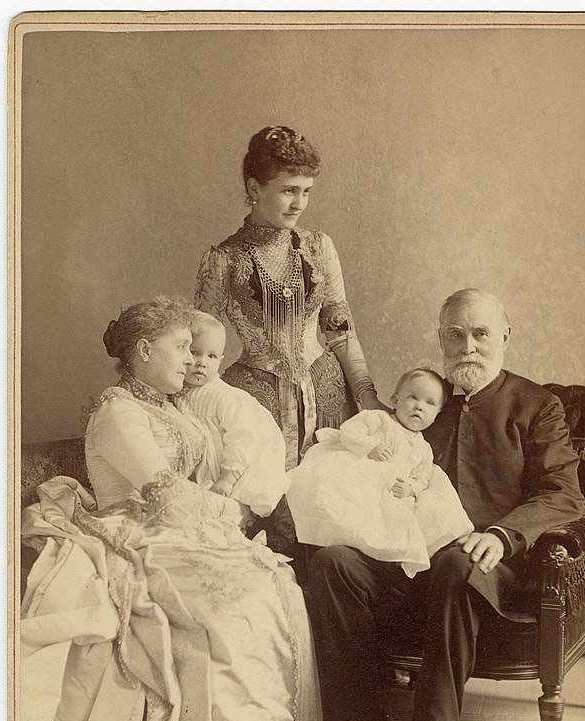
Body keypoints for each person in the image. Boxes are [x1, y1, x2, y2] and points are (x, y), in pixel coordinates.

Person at [20, 296, 321, 721]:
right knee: (221, 603)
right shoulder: (118, 412)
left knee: (268, 582)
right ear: (143, 351)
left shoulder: (164, 404)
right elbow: (165, 493)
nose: (190, 359)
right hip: (136, 531)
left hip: (178, 528)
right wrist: (233, 516)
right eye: (181, 347)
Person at [306, 288, 584, 721]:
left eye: (481, 334)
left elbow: (564, 494)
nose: (468, 347)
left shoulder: (535, 405)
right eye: (455, 335)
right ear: (440, 339)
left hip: (487, 564)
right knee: (333, 562)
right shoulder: (425, 403)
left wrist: (501, 535)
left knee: (458, 560)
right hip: (409, 555)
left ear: (505, 336)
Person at [194, 125, 382, 472]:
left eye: (307, 191)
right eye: (288, 191)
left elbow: (341, 334)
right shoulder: (223, 259)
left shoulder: (319, 247)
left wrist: (368, 400)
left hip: (329, 397)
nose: (299, 203)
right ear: (254, 188)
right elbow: (198, 350)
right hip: (256, 404)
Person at [286, 367, 472, 577]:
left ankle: (382, 559)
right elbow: (349, 431)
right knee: (339, 508)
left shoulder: (423, 449)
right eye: (413, 397)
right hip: (361, 480)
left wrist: (410, 489)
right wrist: (370, 446)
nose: (419, 407)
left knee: (397, 522)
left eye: (430, 403)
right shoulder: (379, 420)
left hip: (388, 493)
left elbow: (424, 476)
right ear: (395, 400)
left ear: (437, 413)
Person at [176, 311, 288, 518]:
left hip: (222, 475)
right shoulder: (175, 391)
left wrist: (227, 478)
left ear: (221, 360)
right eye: (194, 352)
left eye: (211, 356)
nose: (202, 362)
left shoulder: (225, 398)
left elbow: (244, 438)